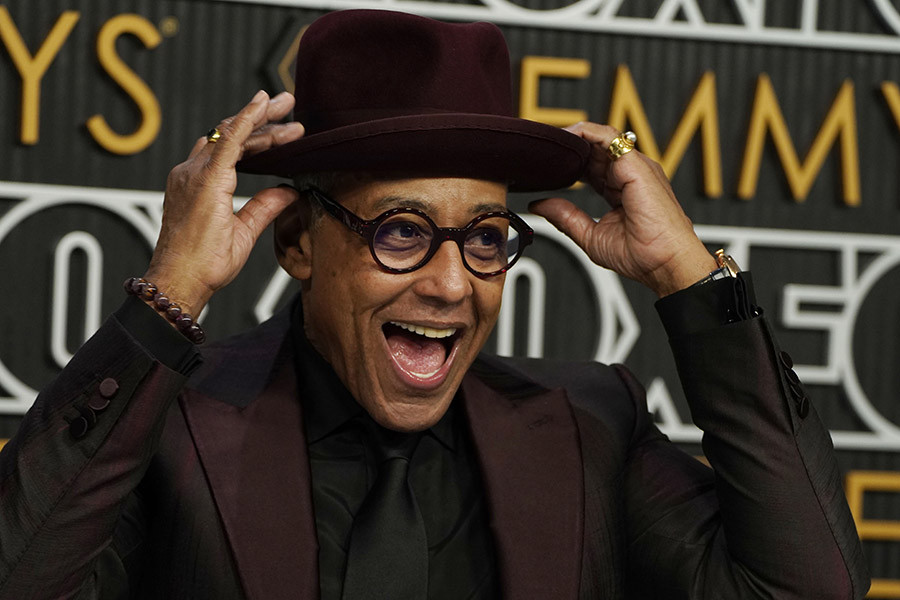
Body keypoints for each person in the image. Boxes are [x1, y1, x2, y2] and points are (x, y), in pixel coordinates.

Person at [0, 9, 868, 600]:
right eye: (403, 232)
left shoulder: (589, 426)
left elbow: (807, 585)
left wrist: (690, 277)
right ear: (298, 243)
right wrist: (170, 296)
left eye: (486, 237)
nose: (453, 284)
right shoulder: (167, 426)